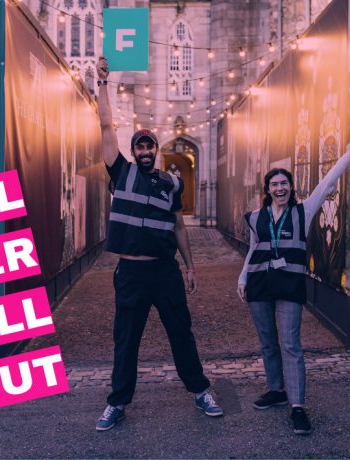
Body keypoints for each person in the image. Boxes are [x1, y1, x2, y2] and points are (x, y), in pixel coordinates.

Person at [94, 55, 222, 432]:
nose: (146, 152)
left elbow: (179, 228)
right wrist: (102, 83)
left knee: (181, 334)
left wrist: (191, 266)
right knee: (126, 341)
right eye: (140, 147)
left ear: (157, 150)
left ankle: (200, 392)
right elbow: (105, 124)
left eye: (150, 147)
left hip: (165, 272)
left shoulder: (171, 183)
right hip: (131, 272)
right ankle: (117, 403)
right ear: (134, 152)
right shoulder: (121, 172)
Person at [236, 136, 350, 435]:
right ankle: (276, 391)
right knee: (268, 342)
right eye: (274, 184)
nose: (280, 188)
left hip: (289, 285)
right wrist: (243, 277)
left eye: (284, 183)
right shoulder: (256, 217)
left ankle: (297, 407)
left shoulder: (304, 211)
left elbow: (326, 183)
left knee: (291, 345)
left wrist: (347, 155)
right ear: (268, 190)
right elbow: (253, 249)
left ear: (290, 188)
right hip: (258, 285)